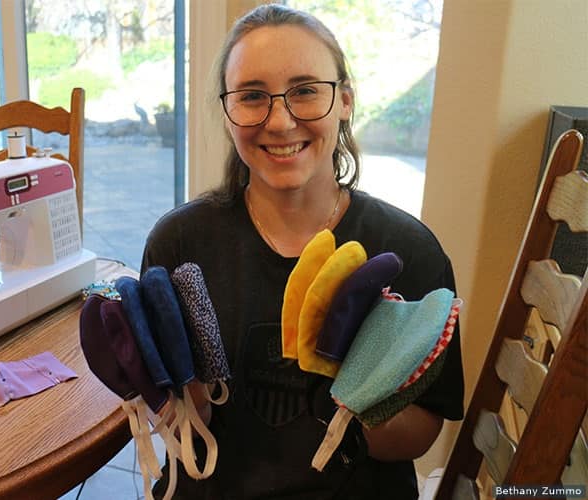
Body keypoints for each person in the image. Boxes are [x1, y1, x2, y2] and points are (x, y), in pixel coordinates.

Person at [141, 4, 464, 499]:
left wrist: (359, 390)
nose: (280, 120)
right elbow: (184, 430)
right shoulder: (181, 246)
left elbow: (420, 435)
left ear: (345, 101)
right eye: (252, 96)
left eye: (306, 91)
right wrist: (184, 402)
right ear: (227, 112)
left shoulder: (409, 252)